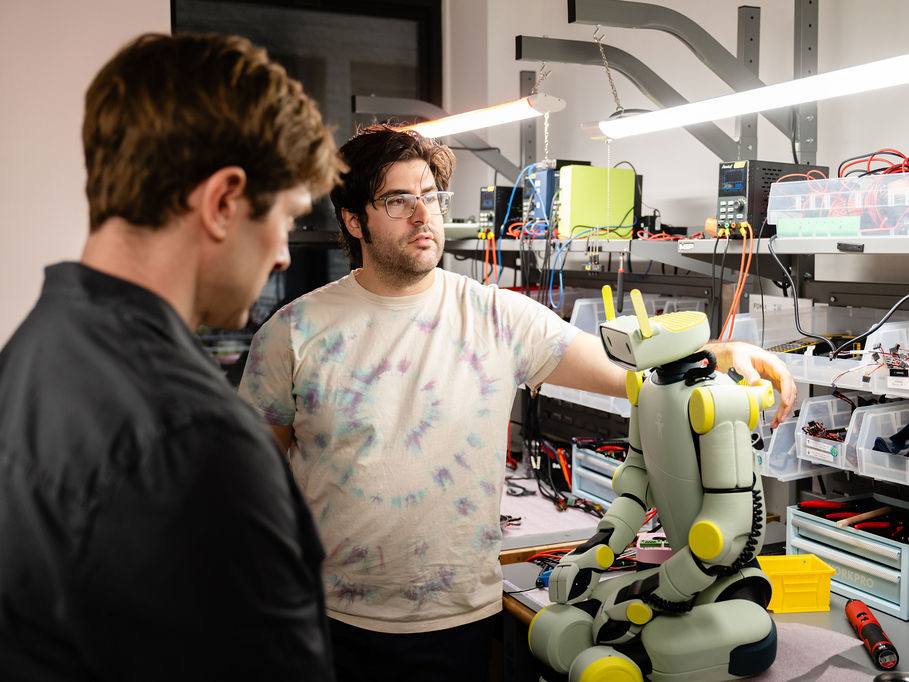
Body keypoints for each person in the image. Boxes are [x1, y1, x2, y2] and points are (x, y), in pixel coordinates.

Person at [238, 124, 796, 681]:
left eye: (430, 196)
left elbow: (627, 367)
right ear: (354, 220)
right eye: (397, 200)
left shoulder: (496, 316)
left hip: (457, 618)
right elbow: (253, 489)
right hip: (334, 620)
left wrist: (724, 354)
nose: (422, 215)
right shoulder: (294, 333)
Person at [0, 33, 344, 681]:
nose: (283, 255)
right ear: (222, 202)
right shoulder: (197, 443)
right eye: (289, 221)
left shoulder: (36, 349)